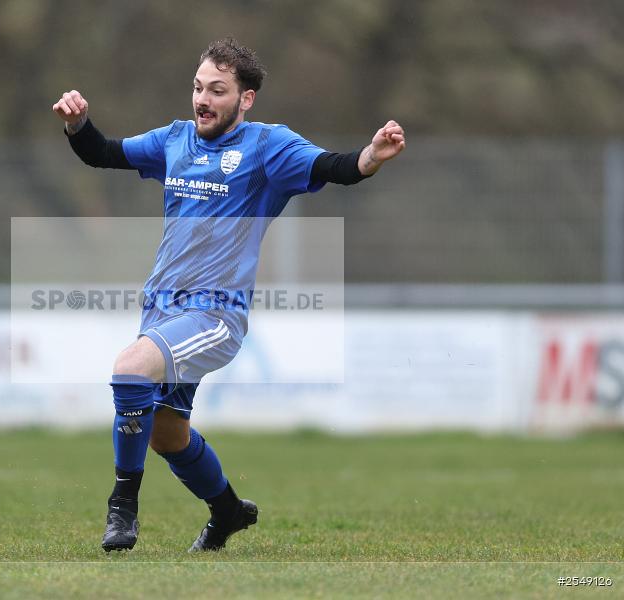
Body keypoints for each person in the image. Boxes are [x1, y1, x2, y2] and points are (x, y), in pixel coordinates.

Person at [52, 38, 405, 553]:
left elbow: (335, 167)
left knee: (129, 369)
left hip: (216, 315)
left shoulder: (267, 147)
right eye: (198, 87)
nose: (203, 99)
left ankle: (122, 506)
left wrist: (372, 155)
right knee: (166, 435)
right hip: (162, 311)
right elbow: (103, 154)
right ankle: (228, 511)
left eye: (218, 90)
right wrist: (77, 126)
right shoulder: (175, 141)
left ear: (245, 99)